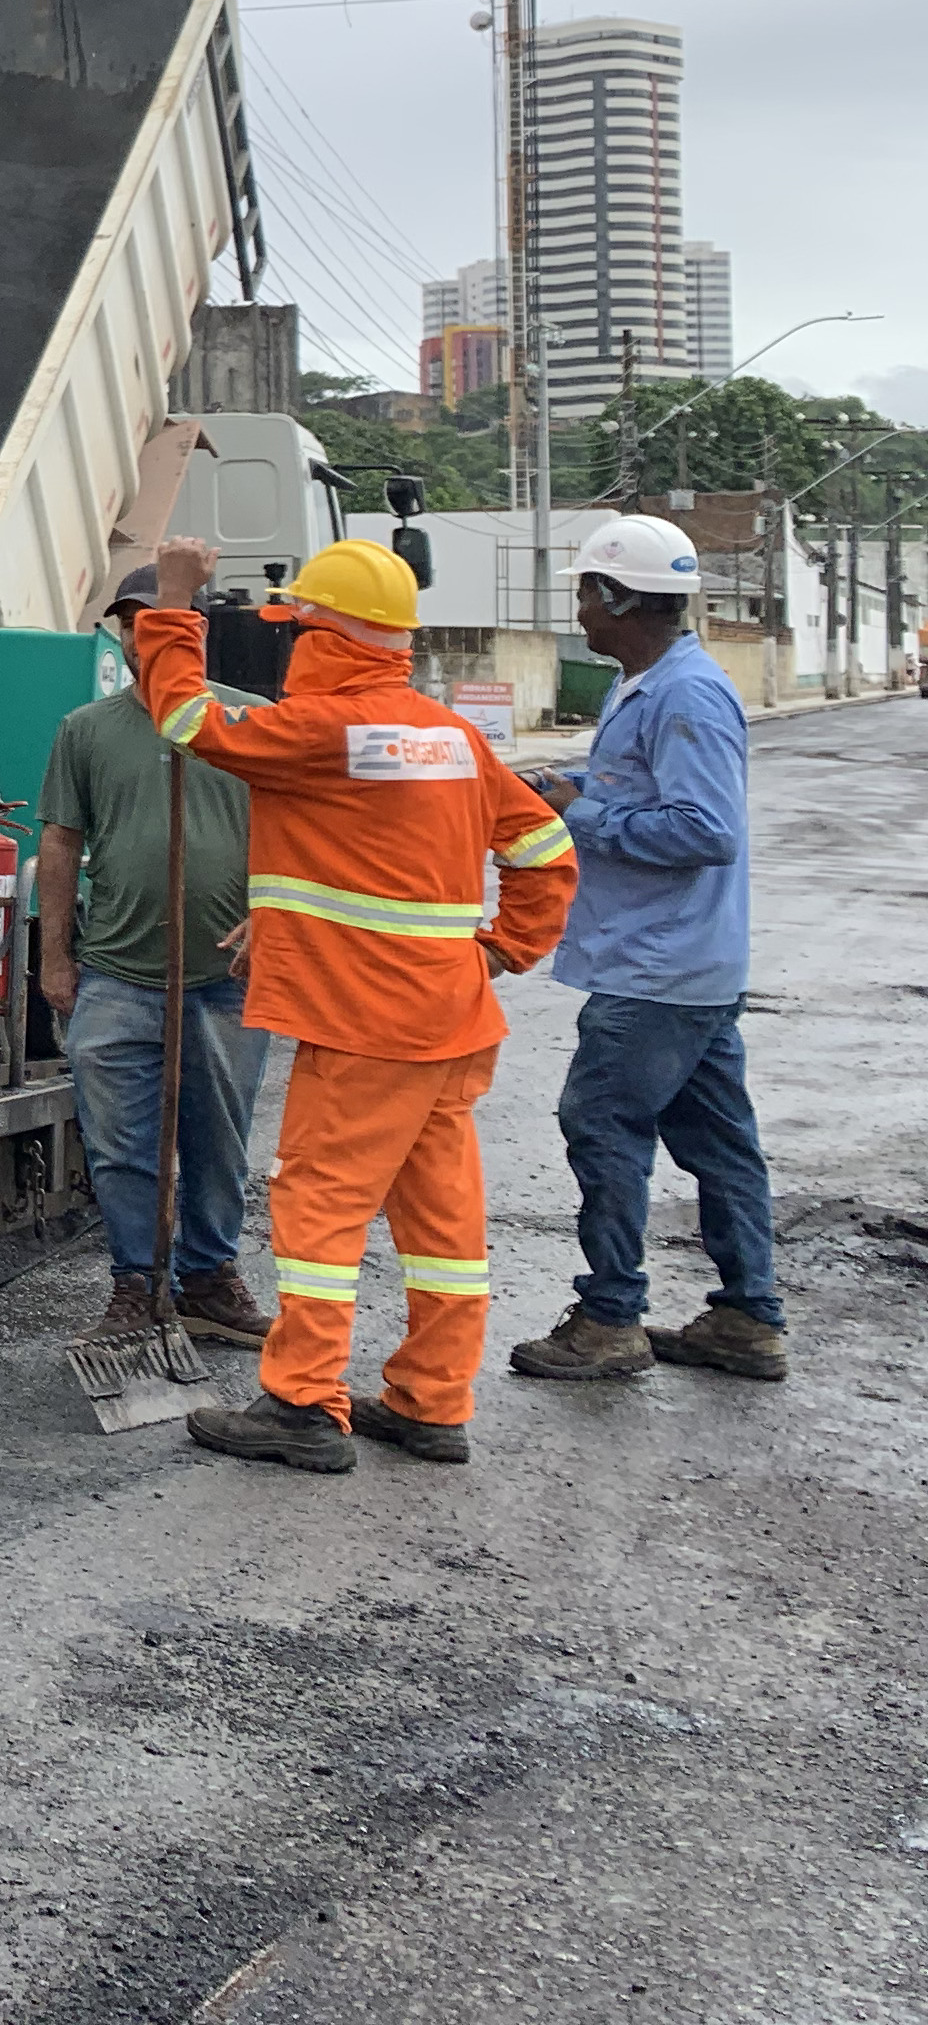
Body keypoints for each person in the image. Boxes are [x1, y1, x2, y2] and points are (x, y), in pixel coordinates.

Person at [131, 533, 576, 1473]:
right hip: (448, 1022)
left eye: (298, 630)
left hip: (364, 1026)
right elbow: (542, 847)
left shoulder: (322, 731)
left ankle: (300, 1403)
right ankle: (431, 1400)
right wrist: (501, 950)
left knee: (321, 1212)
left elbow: (186, 723)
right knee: (443, 1221)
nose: (289, 648)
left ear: (328, 635)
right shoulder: (450, 738)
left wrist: (174, 606)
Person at [508, 514, 785, 1386]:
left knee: (601, 1123)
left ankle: (610, 1318)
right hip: (686, 964)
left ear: (618, 598)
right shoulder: (649, 685)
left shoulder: (684, 694)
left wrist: (576, 814)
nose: (580, 611)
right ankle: (747, 1317)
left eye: (586, 593)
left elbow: (705, 829)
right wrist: (575, 784)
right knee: (718, 1139)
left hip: (659, 970)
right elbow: (645, 787)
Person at [37, 565, 273, 1347]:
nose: (144, 635)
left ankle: (207, 1279)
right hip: (117, 975)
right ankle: (135, 1285)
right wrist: (56, 958)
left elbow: (296, 836)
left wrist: (277, 920)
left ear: (194, 627)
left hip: (226, 979)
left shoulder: (251, 721)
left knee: (218, 1141)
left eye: (158, 619)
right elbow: (62, 844)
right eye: (131, 621)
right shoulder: (86, 729)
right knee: (121, 1147)